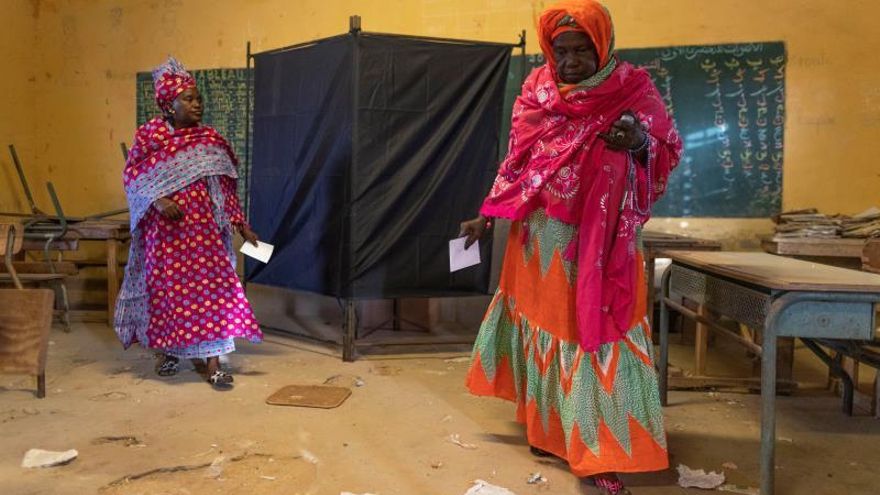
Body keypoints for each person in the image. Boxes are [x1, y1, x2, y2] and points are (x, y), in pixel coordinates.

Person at [461, 2, 682, 493]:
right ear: (549, 51)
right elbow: (519, 161)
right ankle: (548, 429)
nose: (572, 60)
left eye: (583, 49)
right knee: (546, 328)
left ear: (603, 47)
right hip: (539, 238)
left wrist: (639, 143)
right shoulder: (537, 91)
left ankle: (601, 450)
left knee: (596, 332)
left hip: (599, 240)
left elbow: (667, 150)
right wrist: (488, 214)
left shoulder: (632, 92)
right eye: (562, 50)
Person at [114, 57, 263, 389]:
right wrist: (160, 200)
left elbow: (225, 185)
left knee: (213, 292)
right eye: (189, 98)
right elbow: (133, 178)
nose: (197, 104)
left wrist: (240, 224)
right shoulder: (150, 135)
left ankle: (214, 365)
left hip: (205, 233)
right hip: (165, 234)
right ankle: (169, 351)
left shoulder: (208, 139)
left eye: (199, 98)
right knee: (168, 293)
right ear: (169, 104)